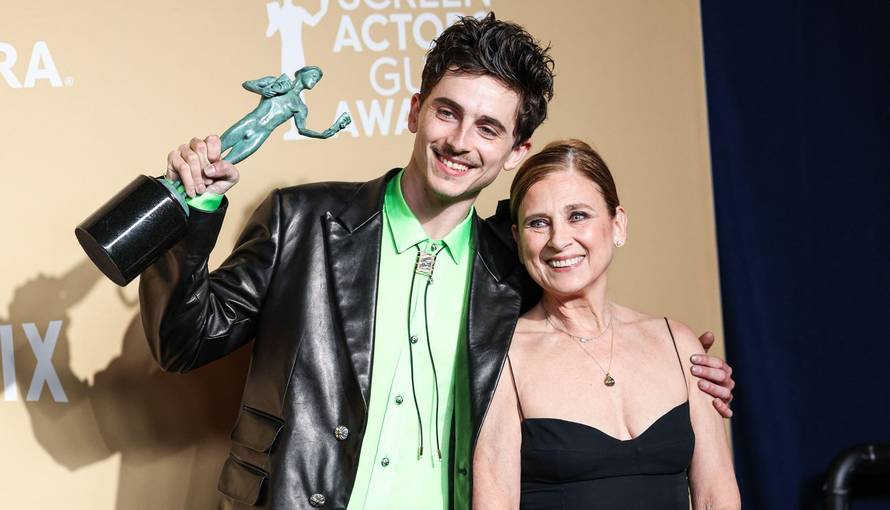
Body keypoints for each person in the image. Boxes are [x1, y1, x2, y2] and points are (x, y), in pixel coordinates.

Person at [141, 14, 736, 510]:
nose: (459, 141)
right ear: (415, 111)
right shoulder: (304, 221)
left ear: (514, 152)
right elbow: (182, 342)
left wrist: (689, 370)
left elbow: (580, 348)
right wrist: (190, 208)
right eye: (447, 112)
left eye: (488, 127)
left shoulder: (516, 266)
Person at [474, 140, 741, 509]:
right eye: (539, 223)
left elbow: (717, 497)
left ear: (618, 224)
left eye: (578, 216)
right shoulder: (502, 359)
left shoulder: (679, 344)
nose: (559, 240)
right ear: (519, 241)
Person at [218, 66, 351, 166]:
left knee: (223, 166)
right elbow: (247, 83)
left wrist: (322, 135)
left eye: (318, 79)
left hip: (260, 135)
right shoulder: (275, 82)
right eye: (314, 75)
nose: (315, 80)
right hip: (249, 122)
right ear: (301, 73)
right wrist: (261, 90)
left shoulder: (300, 107)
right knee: (211, 153)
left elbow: (302, 130)